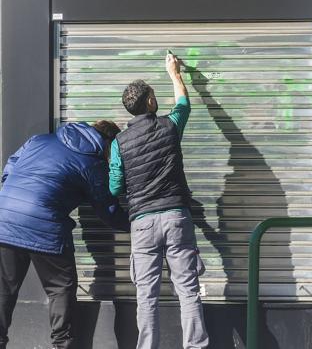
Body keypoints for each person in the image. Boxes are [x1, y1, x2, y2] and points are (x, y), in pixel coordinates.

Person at [0, 120, 129, 349]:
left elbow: (10, 165)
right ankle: (62, 345)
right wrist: (136, 222)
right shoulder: (93, 163)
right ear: (109, 144)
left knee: (4, 290)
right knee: (61, 290)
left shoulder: (39, 140)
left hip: (5, 220)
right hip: (46, 228)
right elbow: (107, 210)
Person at [109, 53, 209, 349]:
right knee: (188, 290)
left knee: (146, 296)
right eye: (153, 95)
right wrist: (174, 73)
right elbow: (183, 104)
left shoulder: (119, 143)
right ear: (151, 103)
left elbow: (115, 186)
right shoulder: (169, 127)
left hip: (142, 223)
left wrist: (138, 192)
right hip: (177, 217)